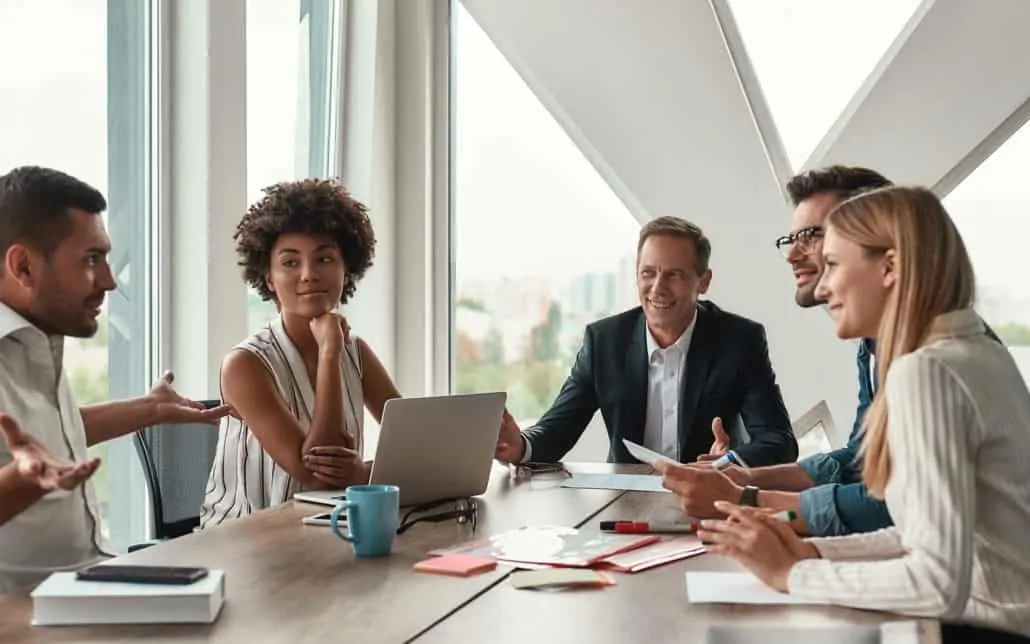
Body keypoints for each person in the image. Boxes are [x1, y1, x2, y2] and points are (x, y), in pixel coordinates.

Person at [672, 186, 1030, 639]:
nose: (823, 286)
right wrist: (812, 555)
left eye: (835, 265)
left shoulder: (926, 371)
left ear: (890, 267)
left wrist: (791, 574)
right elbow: (917, 534)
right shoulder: (975, 353)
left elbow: (939, 582)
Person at [659, 166, 1002, 535]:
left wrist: (748, 499)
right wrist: (744, 479)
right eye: (790, 239)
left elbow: (902, 509)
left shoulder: (934, 363)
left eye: (811, 236)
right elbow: (861, 460)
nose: (792, 254)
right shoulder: (874, 346)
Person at [0, 166, 228, 592]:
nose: (108, 280)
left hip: (84, 584)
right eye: (91, 260)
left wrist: (149, 409)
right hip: (21, 615)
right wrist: (18, 482)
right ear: (24, 266)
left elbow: (50, 431)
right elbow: (28, 461)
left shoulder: (37, 337)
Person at [494, 216, 796, 467]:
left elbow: (779, 440)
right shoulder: (604, 342)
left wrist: (727, 462)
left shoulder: (739, 341)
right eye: (648, 273)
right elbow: (558, 429)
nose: (657, 288)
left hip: (711, 498)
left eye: (674, 275)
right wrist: (520, 445)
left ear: (703, 281)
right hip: (625, 504)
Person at [200, 178, 401, 528]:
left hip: (326, 531)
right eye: (290, 263)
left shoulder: (357, 352)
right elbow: (317, 478)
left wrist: (360, 472)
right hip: (244, 542)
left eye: (324, 258)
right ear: (268, 277)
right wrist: (328, 354)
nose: (309, 275)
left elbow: (412, 445)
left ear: (345, 268)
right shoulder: (245, 365)